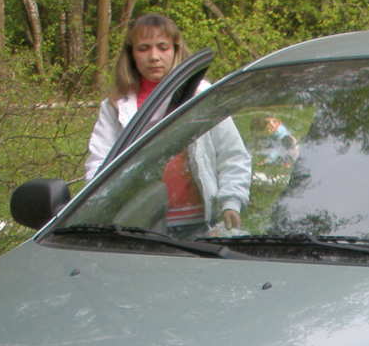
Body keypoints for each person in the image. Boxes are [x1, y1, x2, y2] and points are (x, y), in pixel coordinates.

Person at [84, 14, 249, 234]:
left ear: (175, 49)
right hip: (138, 221)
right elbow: (99, 163)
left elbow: (231, 153)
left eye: (162, 47)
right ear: (131, 54)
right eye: (144, 48)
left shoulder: (202, 97)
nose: (154, 57)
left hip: (198, 223)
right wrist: (101, 207)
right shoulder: (115, 106)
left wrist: (231, 201)